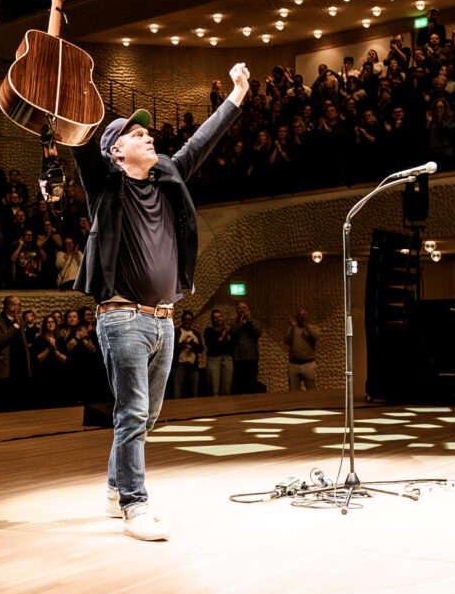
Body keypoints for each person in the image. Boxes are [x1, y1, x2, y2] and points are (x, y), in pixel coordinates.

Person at [58, 56, 250, 541]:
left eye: (147, 133)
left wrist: (237, 95)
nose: (148, 136)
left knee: (148, 415)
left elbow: (201, 141)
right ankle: (134, 505)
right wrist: (71, 84)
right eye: (136, 134)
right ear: (116, 151)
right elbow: (78, 139)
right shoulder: (105, 183)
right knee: (133, 412)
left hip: (164, 321)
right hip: (122, 319)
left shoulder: (170, 178)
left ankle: (112, 488)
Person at [284, 308, 320, 390]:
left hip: (308, 364)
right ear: (297, 317)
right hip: (294, 365)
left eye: (304, 315)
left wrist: (307, 327)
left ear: (307, 317)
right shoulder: (292, 328)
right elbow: (287, 341)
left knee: (311, 390)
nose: (302, 317)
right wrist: (292, 328)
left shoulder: (312, 327)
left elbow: (315, 337)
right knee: (293, 391)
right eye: (300, 315)